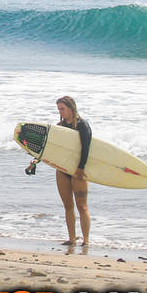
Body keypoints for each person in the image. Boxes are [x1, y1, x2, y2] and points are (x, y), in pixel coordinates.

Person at [55, 95, 91, 246]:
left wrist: (81, 167)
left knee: (82, 206)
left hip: (78, 170)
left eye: (62, 109)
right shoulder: (60, 126)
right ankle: (72, 239)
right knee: (68, 206)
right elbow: (54, 149)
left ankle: (86, 240)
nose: (60, 112)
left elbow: (86, 148)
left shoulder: (82, 125)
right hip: (62, 169)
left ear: (71, 108)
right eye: (59, 109)